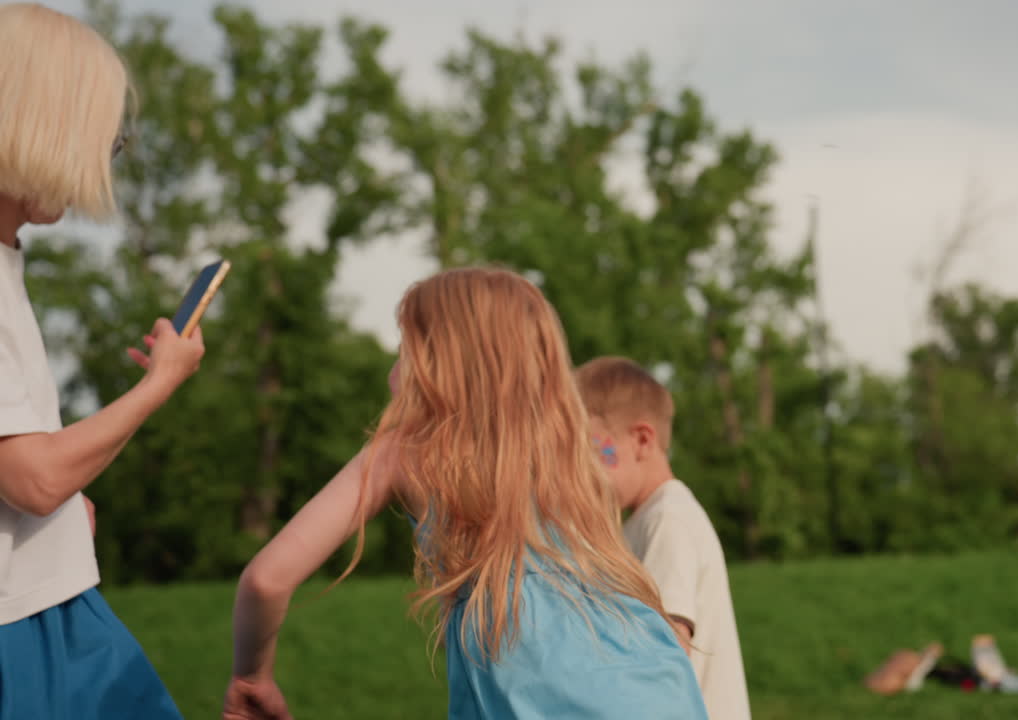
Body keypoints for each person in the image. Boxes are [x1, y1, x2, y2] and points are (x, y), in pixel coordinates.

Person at [222, 268, 707, 720]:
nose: (395, 367)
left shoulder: (408, 452)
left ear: (439, 364)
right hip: (663, 687)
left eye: (405, 349)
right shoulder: (570, 462)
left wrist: (254, 676)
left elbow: (266, 580)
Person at [0, 3, 205, 718]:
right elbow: (35, 477)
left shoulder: (7, 261)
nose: (103, 157)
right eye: (103, 138)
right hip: (24, 632)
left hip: (45, 606)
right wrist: (160, 385)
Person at [574, 357, 752, 720]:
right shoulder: (641, 522)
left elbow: (667, 654)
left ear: (641, 440)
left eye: (589, 453)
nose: (579, 473)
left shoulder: (669, 519)